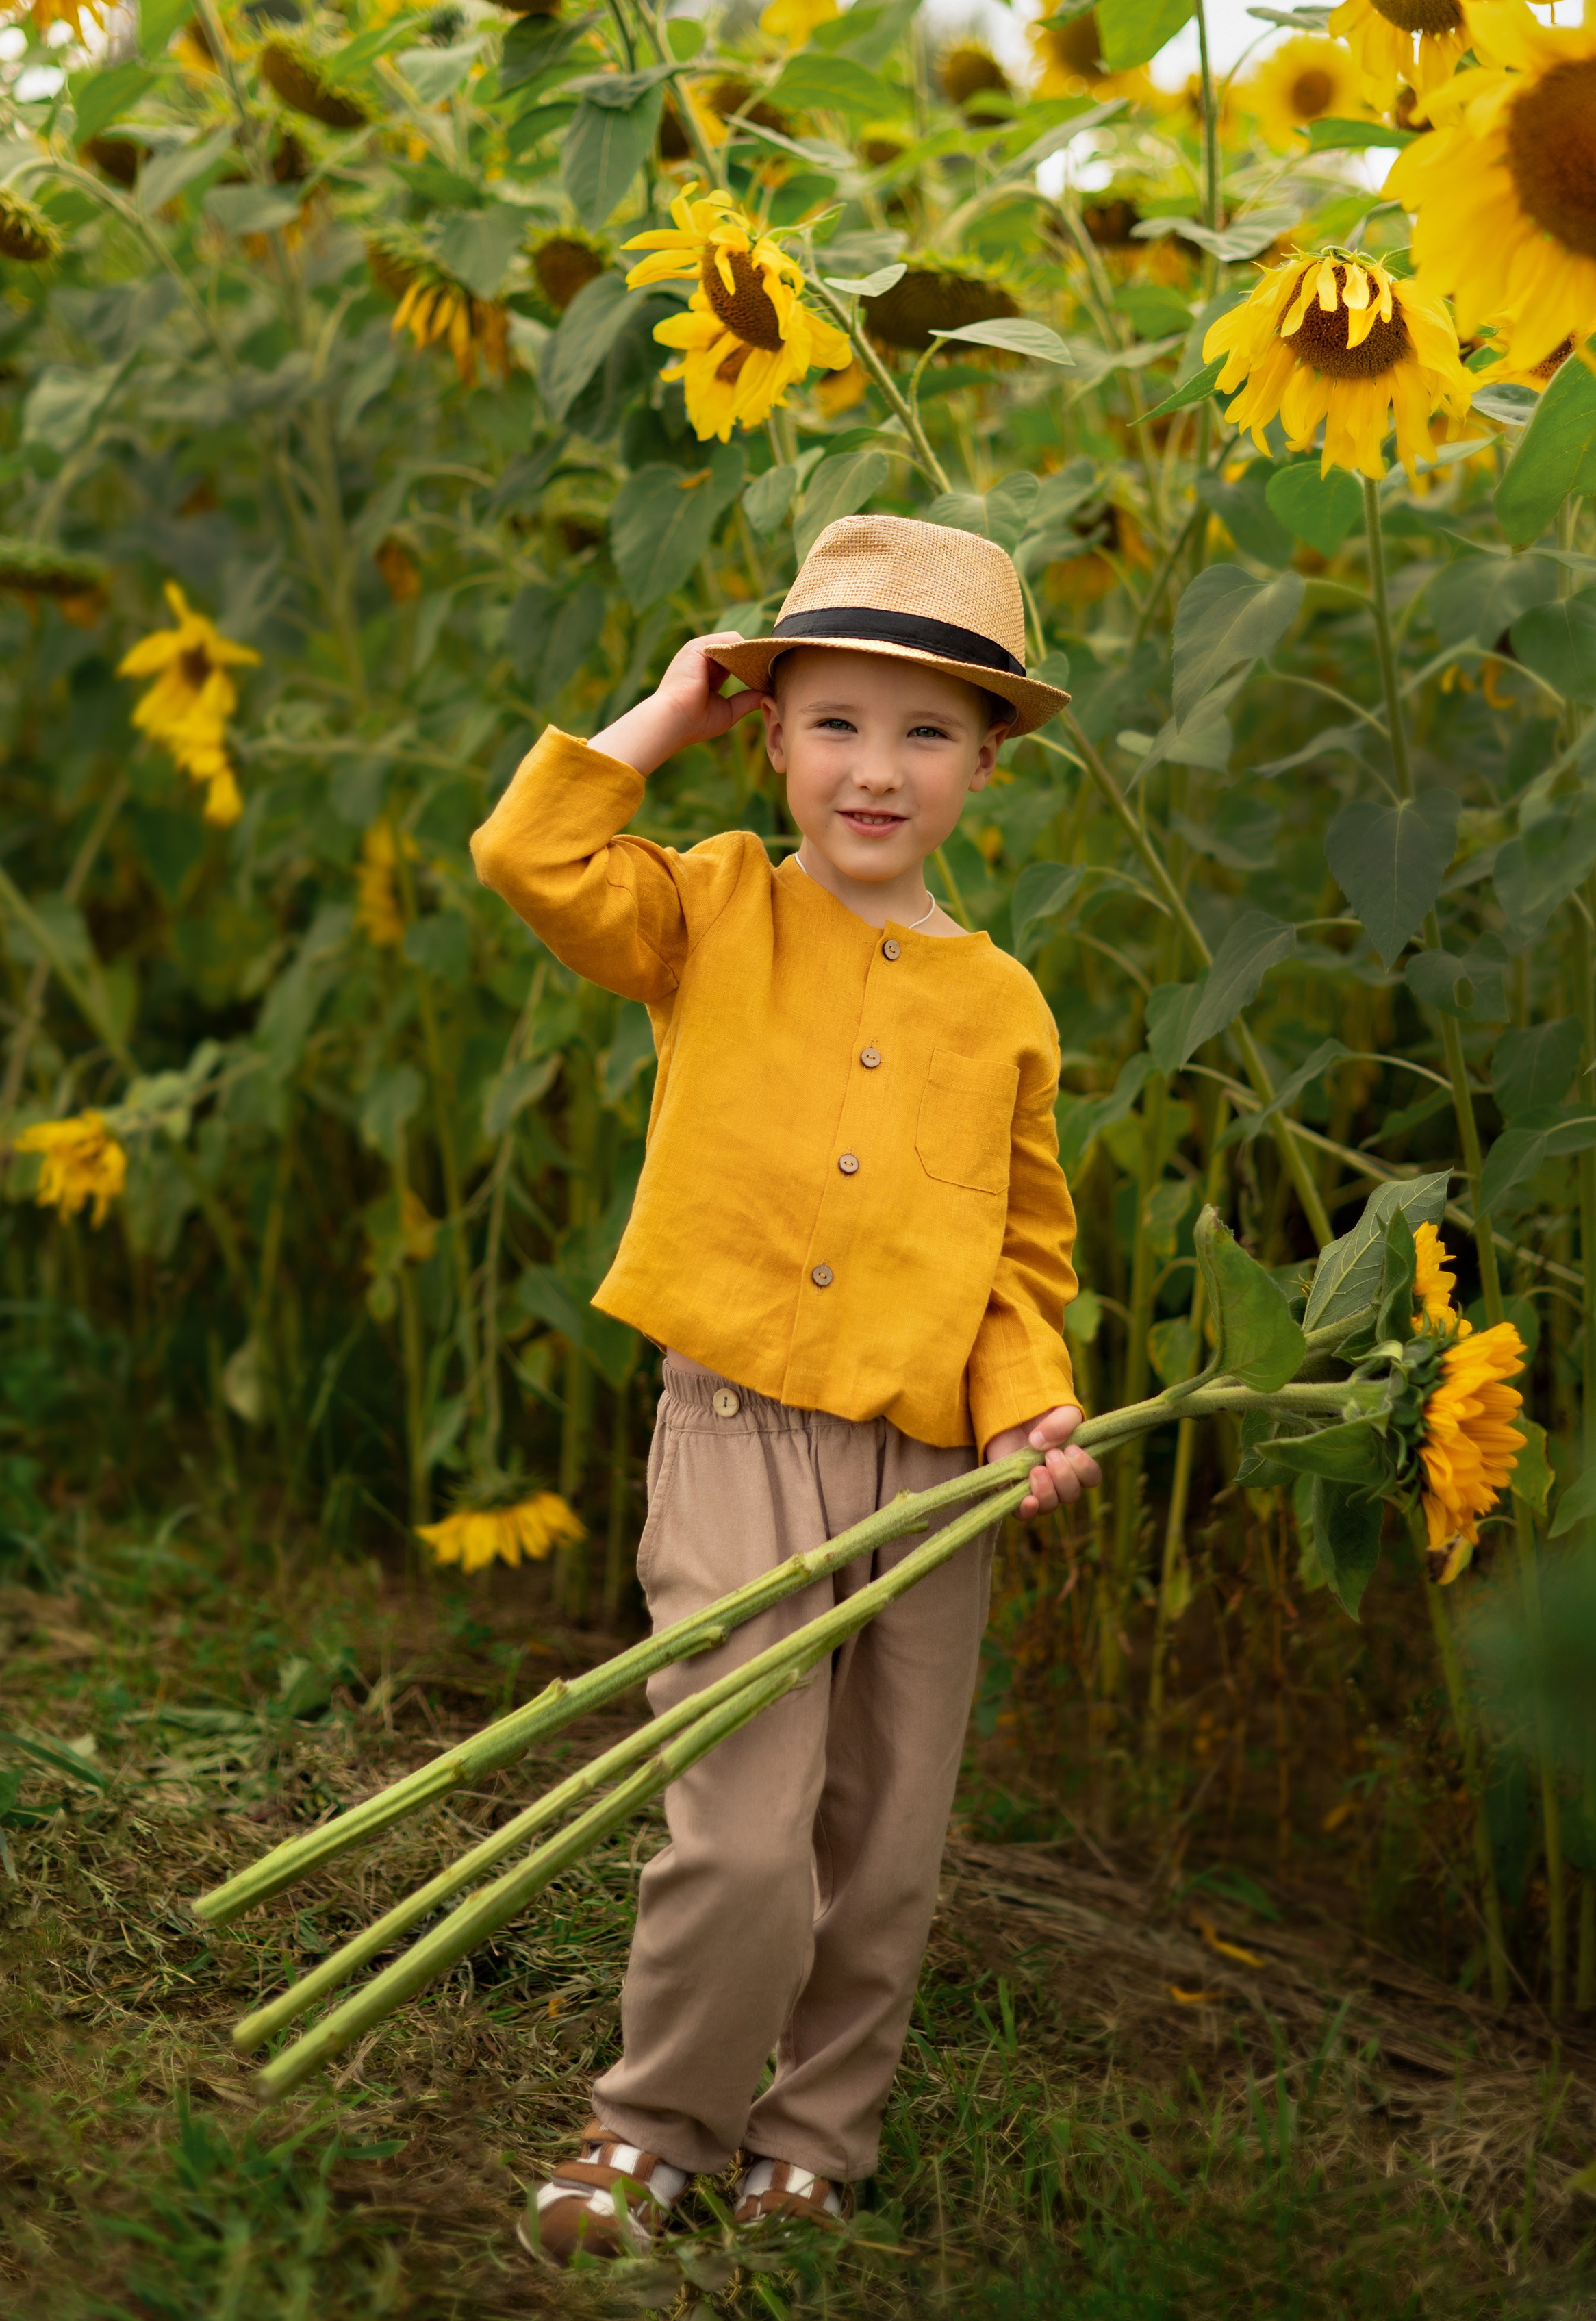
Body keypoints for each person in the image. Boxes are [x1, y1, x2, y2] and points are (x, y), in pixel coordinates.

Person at [470, 512, 1098, 2265]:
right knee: (741, 1830)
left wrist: (1021, 1413)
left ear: (985, 760)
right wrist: (655, 716)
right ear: (768, 735)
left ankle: (814, 2133)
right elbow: (529, 853)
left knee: (881, 1835)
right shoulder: (703, 907)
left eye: (922, 732)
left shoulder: (1004, 1011)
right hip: (737, 1430)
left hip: (928, 1477)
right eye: (831, 720)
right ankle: (650, 2123)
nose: (873, 770)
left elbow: (1017, 1267)